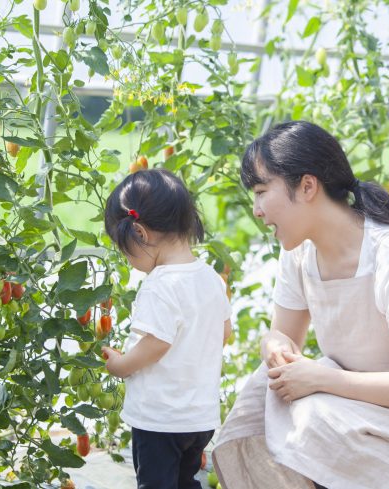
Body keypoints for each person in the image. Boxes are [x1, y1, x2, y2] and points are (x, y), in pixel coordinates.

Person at [212, 121, 389, 489]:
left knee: (313, 415)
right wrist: (275, 347)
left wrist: (321, 377)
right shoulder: (300, 256)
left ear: (306, 186)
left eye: (260, 191)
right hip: (364, 402)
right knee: (265, 391)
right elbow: (282, 335)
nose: (256, 210)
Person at [101, 168, 232, 489]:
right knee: (186, 480)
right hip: (199, 418)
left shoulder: (160, 284)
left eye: (122, 247)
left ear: (140, 234)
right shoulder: (211, 278)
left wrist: (120, 365)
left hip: (160, 420)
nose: (126, 257)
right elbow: (225, 332)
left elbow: (156, 343)